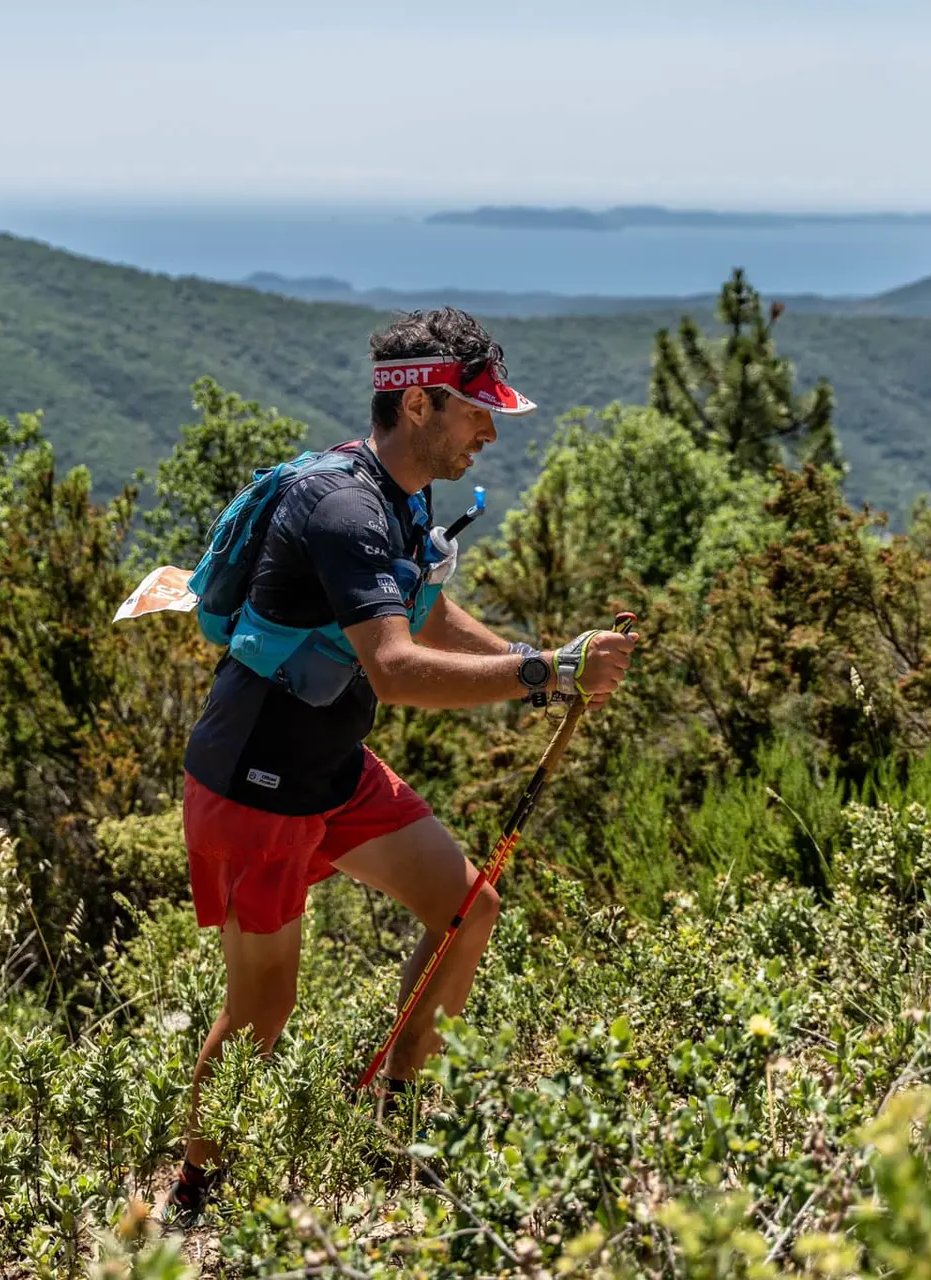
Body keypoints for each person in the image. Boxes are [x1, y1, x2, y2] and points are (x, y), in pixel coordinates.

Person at [162, 308, 640, 1226]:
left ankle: (390, 1110)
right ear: (419, 404)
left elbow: (423, 612)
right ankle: (194, 1195)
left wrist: (538, 665)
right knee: (262, 1013)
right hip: (254, 781)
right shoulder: (342, 506)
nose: (491, 432)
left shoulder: (401, 494)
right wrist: (546, 675)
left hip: (331, 767)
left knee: (469, 907)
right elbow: (395, 667)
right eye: (477, 412)